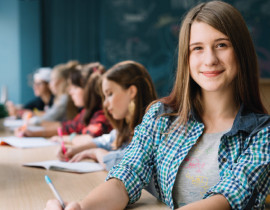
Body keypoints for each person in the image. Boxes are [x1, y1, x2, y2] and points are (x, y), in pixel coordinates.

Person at [45, 1, 270, 210]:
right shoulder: (161, 116)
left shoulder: (263, 133)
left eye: (221, 45)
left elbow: (229, 198)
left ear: (240, 52)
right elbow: (126, 176)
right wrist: (82, 208)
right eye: (198, 48)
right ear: (186, 58)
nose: (210, 59)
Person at [56, 60, 157, 170]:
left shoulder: (152, 127)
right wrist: (75, 150)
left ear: (131, 91)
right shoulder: (125, 127)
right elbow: (105, 140)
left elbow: (126, 163)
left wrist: (96, 152)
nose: (105, 103)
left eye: (110, 94)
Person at [20, 62, 112, 138]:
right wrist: (32, 133)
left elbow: (90, 137)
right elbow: (67, 126)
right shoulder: (86, 112)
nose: (70, 92)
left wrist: (66, 139)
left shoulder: (102, 114)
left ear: (90, 90)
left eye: (75, 87)